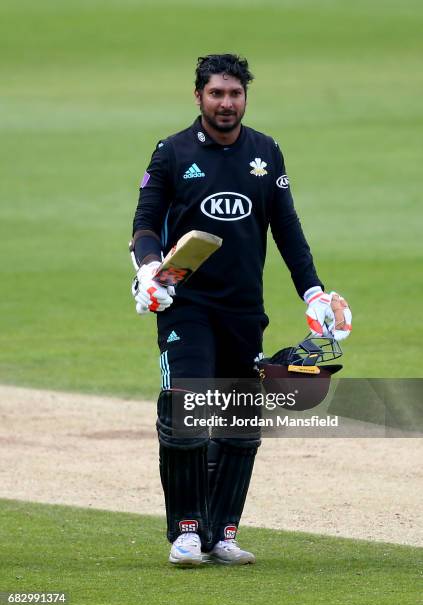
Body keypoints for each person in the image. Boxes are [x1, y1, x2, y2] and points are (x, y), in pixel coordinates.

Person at [130, 54, 351, 567]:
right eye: (216, 94)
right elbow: (144, 224)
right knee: (184, 411)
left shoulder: (266, 152)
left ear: (245, 97)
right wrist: (148, 270)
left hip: (243, 311)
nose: (226, 103)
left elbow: (288, 231)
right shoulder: (171, 152)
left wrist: (314, 293)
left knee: (238, 425)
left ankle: (221, 533)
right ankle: (186, 533)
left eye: (235, 94)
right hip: (186, 306)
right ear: (198, 97)